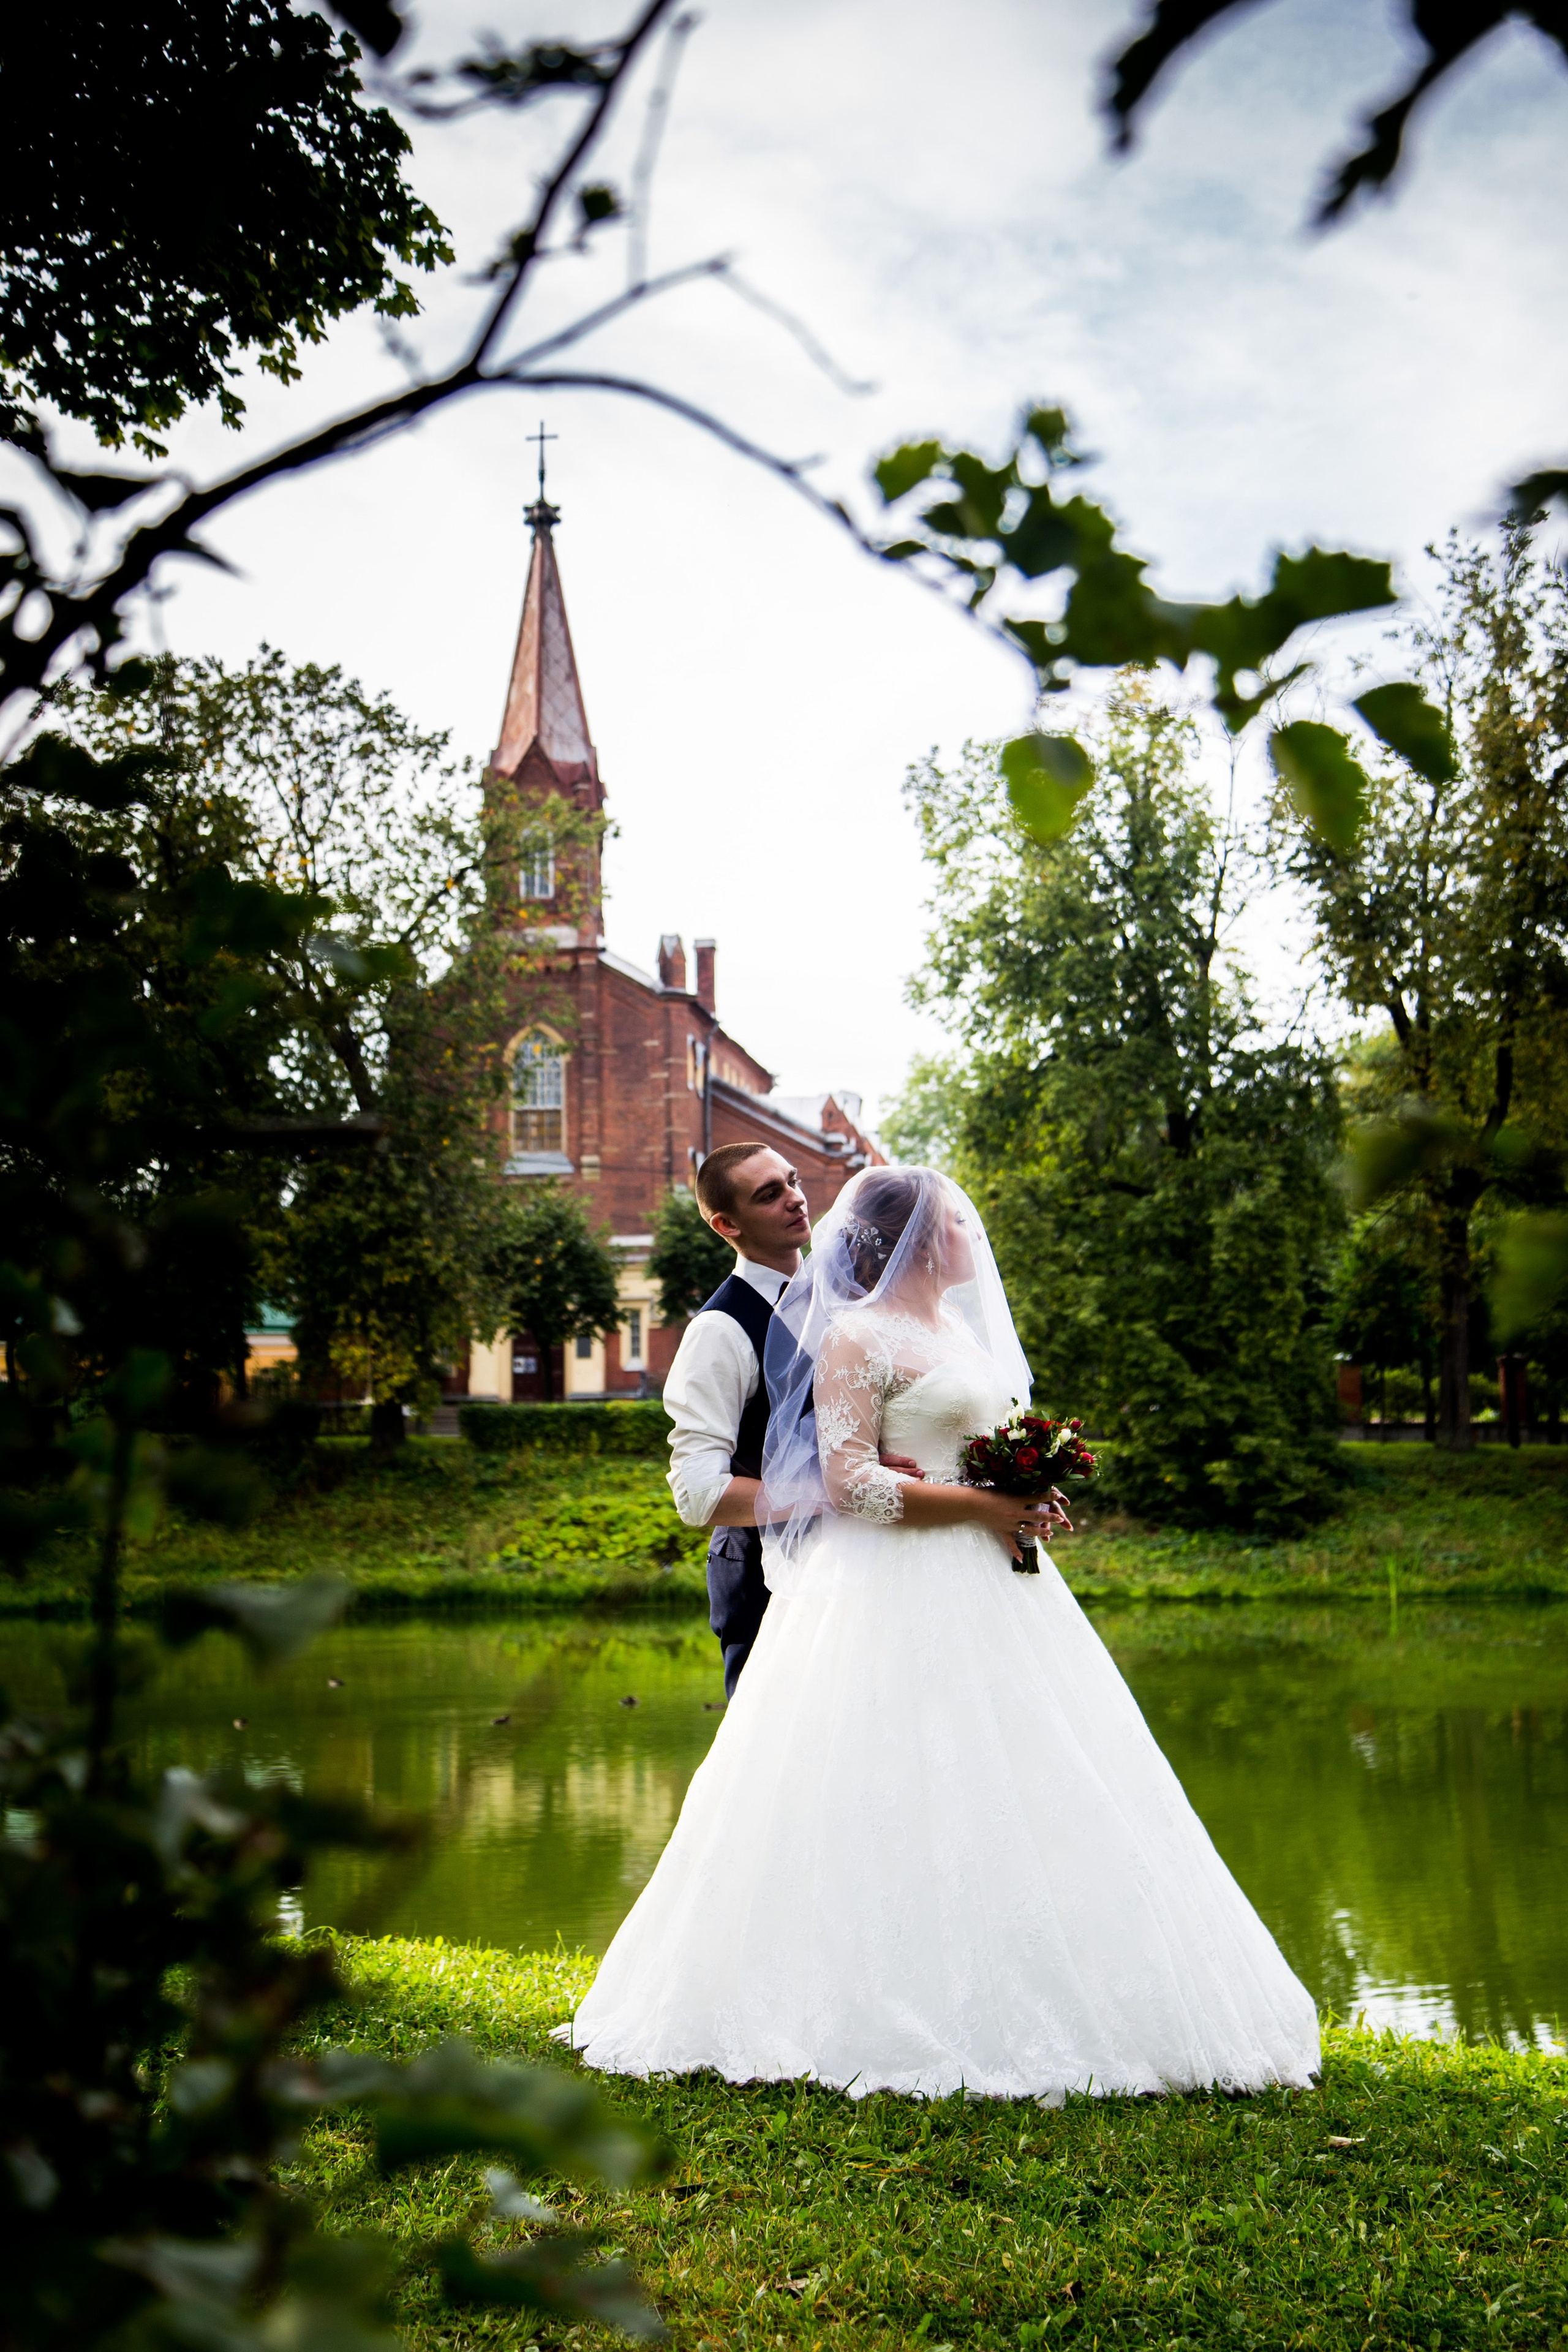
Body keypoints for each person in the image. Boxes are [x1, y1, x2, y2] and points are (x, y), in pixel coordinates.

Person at [563, 1167, 1320, 2101]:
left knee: (1034, 1777)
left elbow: (979, 1448)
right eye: (959, 1219)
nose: (974, 1232)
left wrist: (1027, 1499)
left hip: (996, 1586)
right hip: (885, 1586)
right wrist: (979, 1502)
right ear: (921, 1237)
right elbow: (846, 1486)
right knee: (871, 1783)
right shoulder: (843, 1336)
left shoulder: (956, 1330)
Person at [663, 1142, 922, 1698]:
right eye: (770, 1194)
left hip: (870, 1567)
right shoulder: (719, 1331)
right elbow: (698, 1492)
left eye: (793, 1180)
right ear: (726, 1223)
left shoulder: (848, 1298)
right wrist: (844, 1491)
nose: (796, 1199)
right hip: (766, 1583)